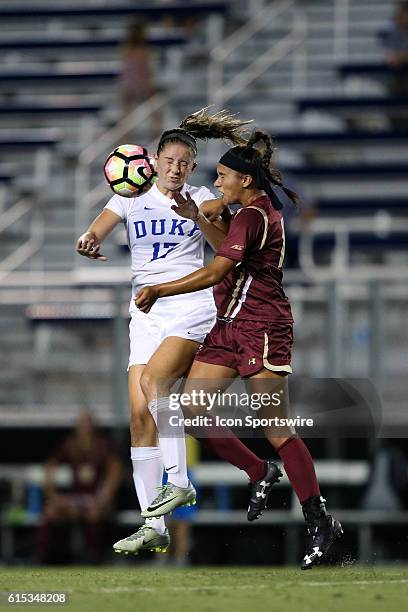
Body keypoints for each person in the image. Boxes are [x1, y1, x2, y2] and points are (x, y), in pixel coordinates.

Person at [76, 109, 284, 559]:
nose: (175, 168)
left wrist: (197, 216)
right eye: (169, 160)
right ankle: (155, 525)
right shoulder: (131, 193)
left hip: (189, 305)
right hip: (146, 309)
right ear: (153, 160)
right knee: (138, 417)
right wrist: (89, 239)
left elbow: (225, 249)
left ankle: (181, 482)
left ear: (191, 167)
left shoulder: (204, 196)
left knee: (155, 382)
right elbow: (98, 227)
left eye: (183, 163)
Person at [135, 130, 343, 570]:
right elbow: (220, 240)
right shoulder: (245, 212)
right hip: (228, 328)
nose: (218, 181)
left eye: (224, 175)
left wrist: (160, 288)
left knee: (275, 426)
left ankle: (319, 520)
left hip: (262, 328)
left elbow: (216, 271)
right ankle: (258, 471)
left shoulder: (254, 216)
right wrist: (198, 215)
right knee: (190, 409)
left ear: (245, 181)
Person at [37, 411, 122, 564]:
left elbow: (115, 472)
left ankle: (93, 556)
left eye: (88, 424)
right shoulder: (70, 446)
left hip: (97, 497)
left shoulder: (103, 445)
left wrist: (105, 496)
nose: (85, 428)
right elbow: (50, 466)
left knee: (93, 514)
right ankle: (44, 556)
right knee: (50, 511)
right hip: (75, 497)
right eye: (82, 425)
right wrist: (52, 494)